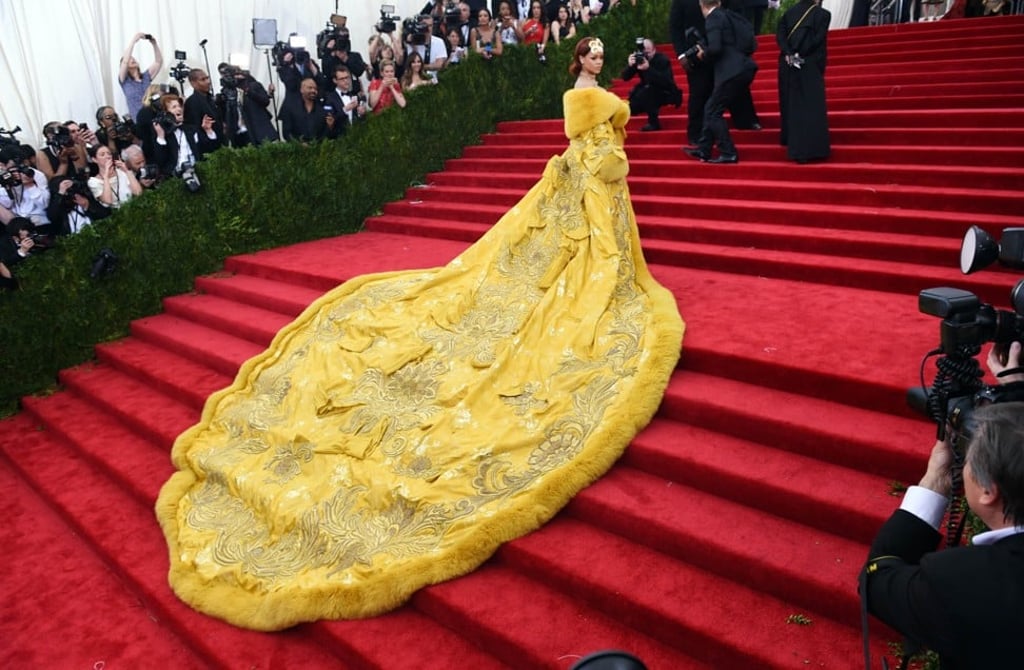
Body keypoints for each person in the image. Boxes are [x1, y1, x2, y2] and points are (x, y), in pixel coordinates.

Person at [155, 35, 684, 632]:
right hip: (588, 188)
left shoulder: (592, 96)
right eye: (590, 54)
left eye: (599, 54)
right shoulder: (584, 97)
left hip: (587, 189)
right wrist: (613, 144)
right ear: (579, 61)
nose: (596, 60)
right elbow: (598, 155)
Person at [863, 339, 1023, 668]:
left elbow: (877, 581)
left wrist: (935, 477)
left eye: (969, 459)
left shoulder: (961, 583)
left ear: (989, 490)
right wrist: (1015, 396)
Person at [683, 0, 759, 164]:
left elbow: (716, 48)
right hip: (742, 67)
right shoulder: (727, 15)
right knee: (711, 107)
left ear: (702, 5)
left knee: (712, 111)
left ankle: (728, 152)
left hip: (731, 71)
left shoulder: (713, 18)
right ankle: (704, 148)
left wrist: (703, 54)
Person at [776, 0, 830, 163]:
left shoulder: (788, 13)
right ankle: (812, 148)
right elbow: (818, 40)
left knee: (791, 103)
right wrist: (801, 54)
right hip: (809, 64)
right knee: (811, 106)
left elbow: (780, 37)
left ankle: (790, 139)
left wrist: (790, 53)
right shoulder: (823, 14)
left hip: (788, 63)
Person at [151, 94, 221, 177]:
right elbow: (161, 161)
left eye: (179, 106)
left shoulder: (191, 129)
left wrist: (208, 131)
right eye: (174, 107)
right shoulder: (163, 134)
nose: (179, 109)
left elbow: (210, 150)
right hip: (175, 177)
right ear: (165, 113)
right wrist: (161, 137)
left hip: (197, 173)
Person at [622, 38, 683, 131]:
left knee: (648, 91)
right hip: (646, 90)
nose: (646, 54)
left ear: (654, 50)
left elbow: (666, 82)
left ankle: (654, 123)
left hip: (665, 91)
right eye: (643, 51)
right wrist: (630, 66)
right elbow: (625, 77)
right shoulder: (640, 58)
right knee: (633, 105)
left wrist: (648, 69)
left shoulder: (662, 59)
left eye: (648, 51)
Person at [119, 32, 164, 120]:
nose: (131, 60)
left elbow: (158, 62)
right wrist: (134, 41)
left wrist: (154, 43)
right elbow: (125, 61)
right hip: (139, 119)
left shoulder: (146, 77)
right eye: (129, 59)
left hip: (154, 116)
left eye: (133, 58)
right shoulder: (125, 81)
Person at [280, 76, 337, 142]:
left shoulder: (322, 109)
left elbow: (325, 135)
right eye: (310, 88)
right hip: (296, 146)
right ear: (301, 89)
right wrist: (299, 144)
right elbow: (286, 132)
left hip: (317, 146)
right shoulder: (290, 108)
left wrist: (330, 127)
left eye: (315, 89)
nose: (313, 90)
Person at [46, 177, 111, 235]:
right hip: (71, 241)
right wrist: (60, 194)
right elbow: (52, 216)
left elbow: (105, 215)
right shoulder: (58, 207)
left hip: (93, 237)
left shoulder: (85, 197)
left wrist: (87, 205)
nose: (68, 192)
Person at [86, 145, 142, 209]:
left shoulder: (122, 172)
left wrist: (127, 171)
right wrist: (106, 176)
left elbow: (138, 192)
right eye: (102, 155)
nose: (108, 156)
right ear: (95, 159)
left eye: (109, 154)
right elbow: (108, 201)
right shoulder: (93, 181)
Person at [184, 69, 227, 149]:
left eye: (207, 78)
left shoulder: (211, 98)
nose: (208, 82)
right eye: (203, 79)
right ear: (193, 83)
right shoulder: (192, 102)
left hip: (221, 142)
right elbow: (194, 127)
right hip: (207, 146)